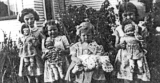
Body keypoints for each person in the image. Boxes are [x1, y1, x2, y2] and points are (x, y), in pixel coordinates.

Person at [18, 8, 45, 83]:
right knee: (28, 74)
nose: (30, 21)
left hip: (36, 55)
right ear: (23, 20)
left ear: (35, 18)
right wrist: (21, 46)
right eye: (27, 19)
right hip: (26, 56)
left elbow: (43, 42)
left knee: (38, 75)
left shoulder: (38, 31)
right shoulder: (21, 33)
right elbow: (19, 43)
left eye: (32, 18)